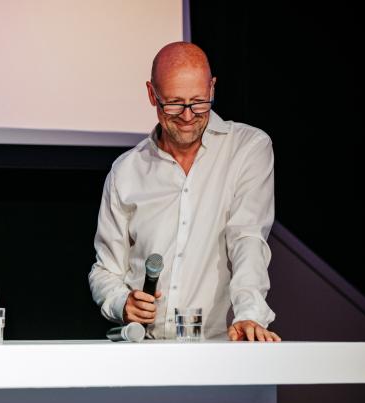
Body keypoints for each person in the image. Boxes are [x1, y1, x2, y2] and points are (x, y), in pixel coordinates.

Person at [88, 42, 281, 342]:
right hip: (145, 353)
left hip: (217, 349)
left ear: (212, 88)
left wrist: (249, 315)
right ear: (152, 94)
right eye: (175, 104)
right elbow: (105, 271)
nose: (188, 116)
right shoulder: (126, 171)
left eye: (199, 102)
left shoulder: (247, 149)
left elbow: (247, 238)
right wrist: (121, 302)